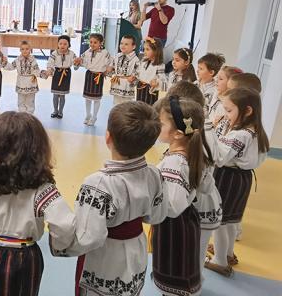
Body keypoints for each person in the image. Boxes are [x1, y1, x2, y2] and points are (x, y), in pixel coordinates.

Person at [0, 112, 75, 296]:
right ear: (38, 150)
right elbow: (65, 227)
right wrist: (58, 246)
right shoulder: (43, 190)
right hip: (25, 258)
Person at [52, 101, 167, 296]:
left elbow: (88, 237)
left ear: (107, 137)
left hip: (106, 258)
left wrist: (59, 229)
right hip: (136, 250)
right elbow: (156, 217)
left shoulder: (99, 184)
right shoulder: (155, 174)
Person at [205, 87, 269, 277]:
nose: (225, 115)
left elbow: (219, 157)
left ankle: (220, 261)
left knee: (221, 222)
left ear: (247, 111)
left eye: (229, 110)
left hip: (228, 178)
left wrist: (208, 131)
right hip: (242, 179)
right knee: (231, 221)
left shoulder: (239, 135)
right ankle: (228, 253)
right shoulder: (254, 130)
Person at [152, 95, 212, 296]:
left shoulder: (175, 162)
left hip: (174, 228)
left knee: (175, 275)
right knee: (184, 269)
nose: (156, 126)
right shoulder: (193, 153)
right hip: (187, 222)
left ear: (177, 133)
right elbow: (205, 187)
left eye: (160, 123)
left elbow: (173, 206)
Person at [164, 81, 222, 283]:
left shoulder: (203, 137)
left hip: (201, 206)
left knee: (194, 260)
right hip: (196, 203)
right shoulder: (194, 134)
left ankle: (191, 286)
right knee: (189, 256)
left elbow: (202, 179)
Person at [75, 33, 113, 126]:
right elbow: (81, 60)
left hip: (98, 77)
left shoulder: (105, 53)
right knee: (87, 98)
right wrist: (78, 61)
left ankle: (94, 117)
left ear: (101, 43)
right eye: (91, 42)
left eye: (95, 42)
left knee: (96, 99)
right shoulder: (87, 51)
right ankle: (88, 115)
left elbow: (111, 62)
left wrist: (109, 67)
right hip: (89, 75)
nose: (92, 44)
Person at [44, 35, 76, 119]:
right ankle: (55, 110)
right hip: (57, 74)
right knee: (55, 94)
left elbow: (75, 63)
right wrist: (49, 69)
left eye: (65, 44)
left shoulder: (72, 54)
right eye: (60, 43)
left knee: (62, 95)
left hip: (66, 74)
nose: (62, 45)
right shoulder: (54, 53)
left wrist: (77, 63)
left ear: (69, 45)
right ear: (58, 44)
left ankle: (60, 111)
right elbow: (50, 63)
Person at [6, 41, 40, 114]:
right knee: (21, 100)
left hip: (31, 82)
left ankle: (30, 115)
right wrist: (4, 62)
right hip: (21, 82)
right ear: (20, 50)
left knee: (30, 100)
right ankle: (22, 115)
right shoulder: (17, 60)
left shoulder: (33, 60)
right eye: (23, 49)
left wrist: (44, 74)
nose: (25, 51)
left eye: (27, 49)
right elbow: (10, 67)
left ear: (30, 49)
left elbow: (37, 70)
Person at [108, 35, 140, 106]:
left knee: (126, 105)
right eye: (121, 43)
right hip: (117, 84)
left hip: (127, 85)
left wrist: (133, 77)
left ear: (133, 47)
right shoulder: (117, 56)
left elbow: (138, 72)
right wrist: (111, 72)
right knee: (115, 103)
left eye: (126, 44)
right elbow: (112, 68)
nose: (123, 46)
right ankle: (116, 116)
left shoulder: (135, 59)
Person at [135, 37, 165, 105]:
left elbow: (163, 80)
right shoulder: (143, 61)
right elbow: (138, 71)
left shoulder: (159, 65)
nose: (144, 51)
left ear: (156, 51)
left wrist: (157, 82)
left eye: (147, 49)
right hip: (140, 87)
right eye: (144, 49)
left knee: (148, 108)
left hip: (150, 90)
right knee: (139, 106)